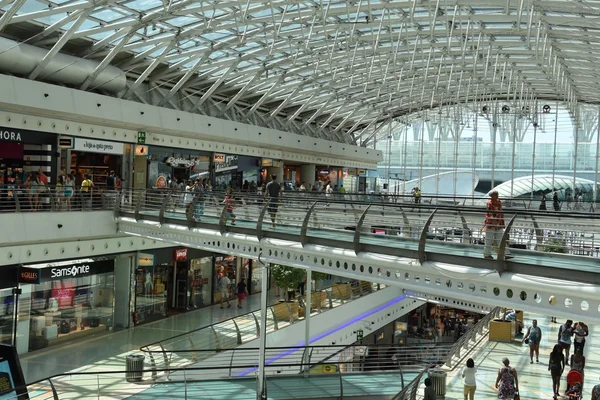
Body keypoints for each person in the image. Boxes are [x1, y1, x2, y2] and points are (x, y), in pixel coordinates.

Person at [483, 190, 514, 260]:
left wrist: (502, 223)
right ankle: (487, 255)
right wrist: (495, 222)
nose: (497, 196)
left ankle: (506, 254)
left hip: (499, 224)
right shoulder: (489, 203)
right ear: (491, 196)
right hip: (491, 225)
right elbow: (489, 214)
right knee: (489, 240)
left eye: (497, 194)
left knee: (501, 239)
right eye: (495, 195)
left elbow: (501, 213)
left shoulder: (499, 202)